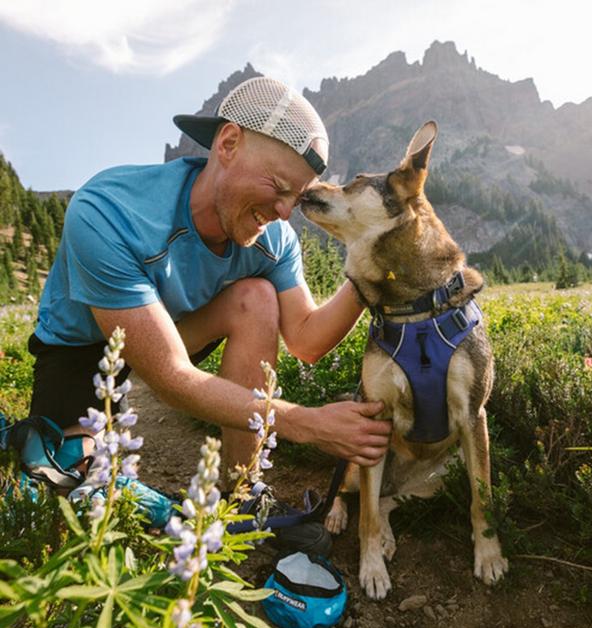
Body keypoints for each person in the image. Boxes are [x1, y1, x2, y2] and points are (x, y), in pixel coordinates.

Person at [26, 77, 391, 489]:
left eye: (298, 195)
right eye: (278, 187)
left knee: (257, 297)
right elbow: (171, 375)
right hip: (80, 352)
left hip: (174, 331)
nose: (286, 212)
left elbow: (306, 341)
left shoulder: (273, 239)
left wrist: (371, 264)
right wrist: (306, 423)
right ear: (228, 144)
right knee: (65, 486)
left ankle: (240, 491)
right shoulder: (107, 211)